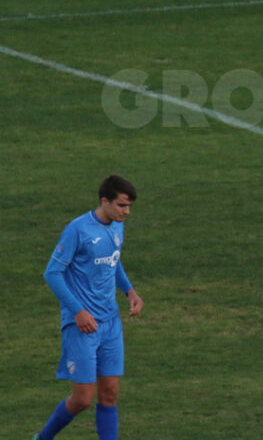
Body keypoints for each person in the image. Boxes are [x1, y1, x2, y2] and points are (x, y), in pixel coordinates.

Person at [34, 174, 144, 440]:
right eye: (121, 205)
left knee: (110, 393)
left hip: (110, 323)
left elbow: (113, 261)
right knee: (83, 398)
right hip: (82, 325)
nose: (126, 212)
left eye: (129, 206)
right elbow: (52, 273)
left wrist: (129, 290)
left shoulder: (117, 226)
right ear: (105, 201)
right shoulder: (78, 229)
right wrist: (78, 311)